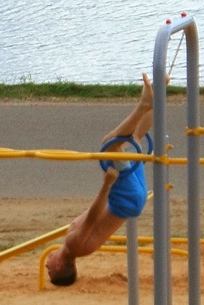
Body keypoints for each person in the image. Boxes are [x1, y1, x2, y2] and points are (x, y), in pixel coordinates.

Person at [45, 73, 155, 286]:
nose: (46, 265)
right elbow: (93, 217)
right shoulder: (74, 245)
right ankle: (144, 105)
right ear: (59, 266)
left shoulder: (76, 248)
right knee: (110, 144)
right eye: (49, 270)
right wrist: (107, 184)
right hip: (124, 199)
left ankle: (157, 93)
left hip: (132, 201)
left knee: (134, 140)